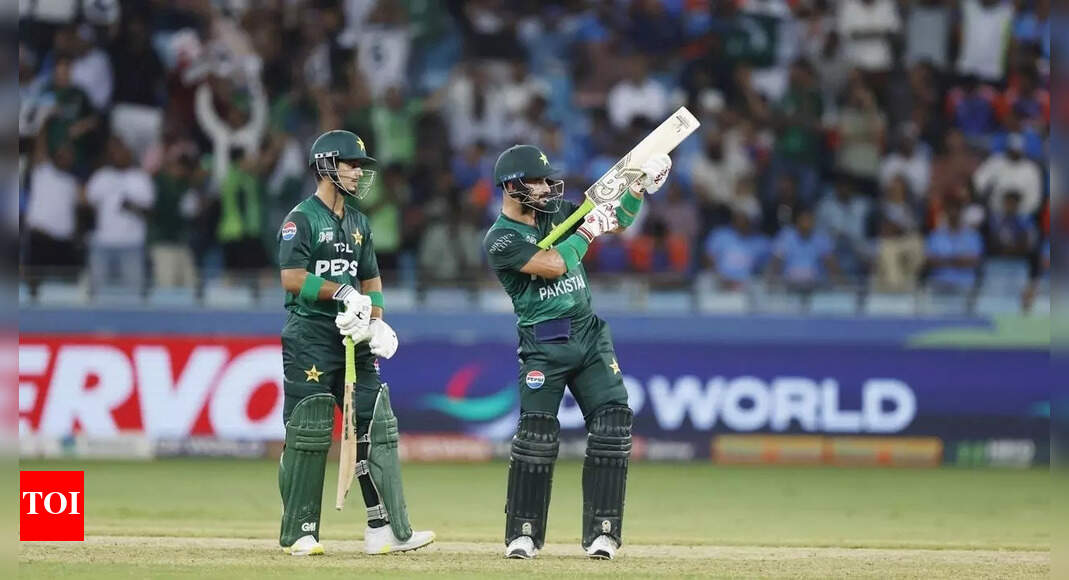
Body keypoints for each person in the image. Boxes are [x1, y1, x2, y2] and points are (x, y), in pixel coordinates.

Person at [482, 143, 672, 560]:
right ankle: (523, 535)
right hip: (544, 343)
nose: (547, 188)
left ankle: (604, 533)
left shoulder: (558, 212)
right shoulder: (500, 239)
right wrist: (586, 232)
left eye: (547, 180)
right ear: (512, 187)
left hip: (588, 335)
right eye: (537, 182)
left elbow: (618, 221)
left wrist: (637, 190)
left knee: (613, 425)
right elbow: (553, 265)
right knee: (536, 438)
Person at [275, 130, 434, 556]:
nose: (359, 173)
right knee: (309, 429)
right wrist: (342, 293)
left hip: (353, 338)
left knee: (375, 424)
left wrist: (375, 323)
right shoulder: (301, 219)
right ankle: (300, 531)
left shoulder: (360, 222)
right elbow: (292, 277)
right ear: (326, 166)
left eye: (361, 166)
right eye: (351, 164)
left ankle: (386, 529)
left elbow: (371, 280)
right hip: (310, 336)